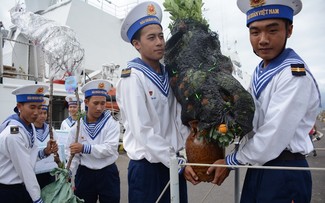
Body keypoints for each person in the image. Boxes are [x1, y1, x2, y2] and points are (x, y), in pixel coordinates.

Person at [206, 0, 321, 202]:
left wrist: (231, 160)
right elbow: (250, 120)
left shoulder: (293, 74)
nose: (263, 40)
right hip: (259, 167)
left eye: (272, 30)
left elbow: (272, 137)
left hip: (283, 171)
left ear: (290, 30)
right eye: (255, 32)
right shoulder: (261, 71)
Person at [117, 1, 190, 202]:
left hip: (173, 162)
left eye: (160, 36)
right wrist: (176, 161)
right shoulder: (132, 77)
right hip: (147, 168)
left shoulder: (168, 74)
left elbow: (177, 118)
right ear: (137, 44)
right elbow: (143, 131)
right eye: (151, 38)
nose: (159, 42)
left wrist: (188, 153)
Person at [0, 84, 58, 203]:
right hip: (10, 191)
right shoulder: (14, 133)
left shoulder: (28, 125)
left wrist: (44, 152)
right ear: (19, 106)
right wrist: (37, 199)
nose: (36, 112)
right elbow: (25, 171)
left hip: (22, 188)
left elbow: (29, 156)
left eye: (39, 107)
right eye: (32, 107)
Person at [66, 79, 120, 203]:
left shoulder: (112, 124)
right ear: (86, 102)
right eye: (95, 103)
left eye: (103, 103)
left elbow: (110, 149)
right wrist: (68, 173)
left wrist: (84, 148)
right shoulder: (77, 126)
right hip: (85, 174)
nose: (100, 108)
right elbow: (72, 154)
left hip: (107, 173)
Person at [34, 97, 56, 188]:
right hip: (34, 171)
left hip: (49, 170)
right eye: (40, 113)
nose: (43, 116)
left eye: (45, 113)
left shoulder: (51, 130)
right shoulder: (28, 129)